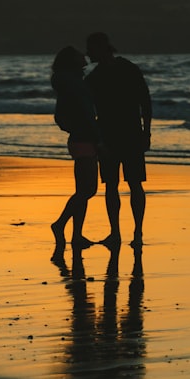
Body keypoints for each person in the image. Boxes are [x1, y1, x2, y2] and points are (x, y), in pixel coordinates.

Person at [85, 32, 152, 248]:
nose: (88, 54)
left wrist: (146, 132)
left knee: (128, 184)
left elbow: (145, 102)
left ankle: (135, 232)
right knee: (119, 184)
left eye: (91, 49)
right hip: (117, 135)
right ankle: (120, 233)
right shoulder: (97, 76)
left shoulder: (115, 72)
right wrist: (145, 132)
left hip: (122, 135)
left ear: (101, 48)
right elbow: (146, 103)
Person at [50, 46, 102, 258]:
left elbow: (61, 115)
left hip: (80, 137)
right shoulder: (73, 84)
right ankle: (60, 224)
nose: (84, 56)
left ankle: (77, 235)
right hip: (85, 138)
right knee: (87, 190)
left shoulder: (68, 83)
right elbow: (86, 113)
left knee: (84, 190)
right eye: (79, 55)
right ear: (72, 61)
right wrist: (97, 138)